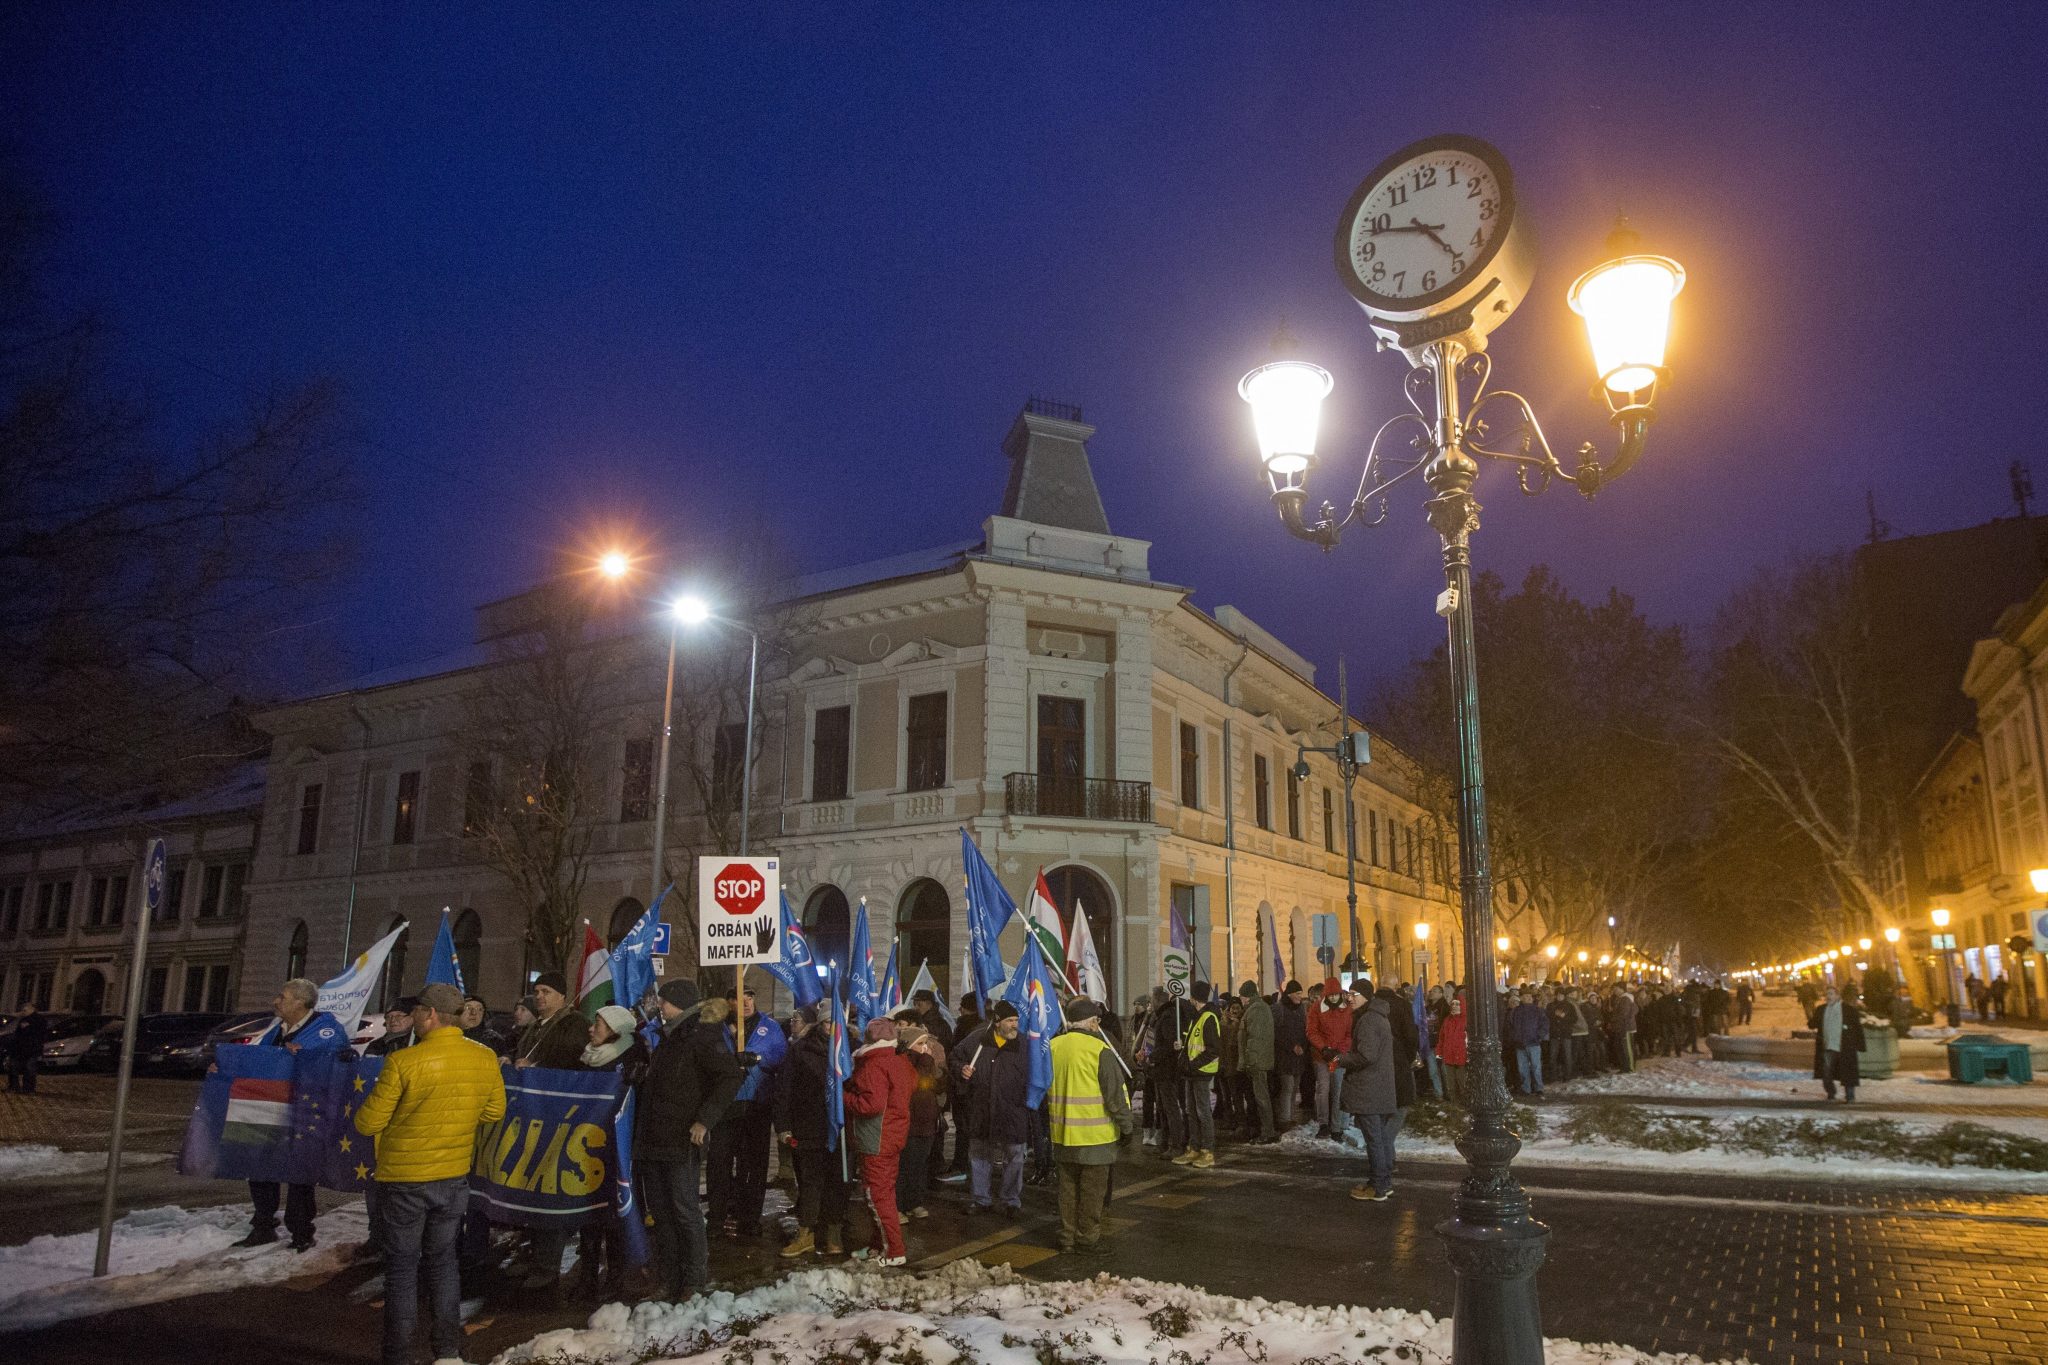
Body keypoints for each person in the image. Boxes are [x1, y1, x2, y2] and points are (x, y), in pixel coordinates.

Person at [353, 983, 507, 1365]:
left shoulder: (405, 1062)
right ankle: (447, 1351)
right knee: (443, 1265)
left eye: (419, 1010)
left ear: (431, 1015)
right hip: (452, 1177)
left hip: (404, 1179)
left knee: (402, 1270)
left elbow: (367, 1122)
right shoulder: (483, 1057)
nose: (416, 1016)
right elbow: (494, 1112)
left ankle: (398, 1356)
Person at [636, 978, 743, 1300]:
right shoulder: (670, 1036)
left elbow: (730, 1076)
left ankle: (694, 1279)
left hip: (681, 1138)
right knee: (663, 1213)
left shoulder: (702, 1034)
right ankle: (669, 1278)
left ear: (679, 1003)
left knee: (684, 1211)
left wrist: (704, 1120)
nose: (659, 1007)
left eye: (664, 1001)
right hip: (654, 1138)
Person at [236, 978, 349, 1251]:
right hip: (272, 1110)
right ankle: (263, 1224)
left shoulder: (327, 1031)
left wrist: (304, 1058)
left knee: (299, 1173)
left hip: (305, 1114)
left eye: (282, 996)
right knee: (261, 1167)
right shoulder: (277, 1029)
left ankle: (301, 1232)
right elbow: (257, 1060)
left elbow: (338, 1066)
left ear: (300, 1002)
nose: (276, 1000)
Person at [1046, 998, 1135, 1253]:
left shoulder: (1053, 1047)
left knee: (1067, 1192)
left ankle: (1066, 1237)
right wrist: (1126, 1127)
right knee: (1092, 1194)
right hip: (1096, 1137)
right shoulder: (1099, 1051)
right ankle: (1086, 1238)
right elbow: (1115, 1096)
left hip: (1063, 1134)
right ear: (1093, 1022)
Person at [707, 986, 787, 1240]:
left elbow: (781, 1059)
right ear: (729, 1002)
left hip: (756, 1105)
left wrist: (758, 1058)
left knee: (753, 1165)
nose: (746, 1003)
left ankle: (749, 1217)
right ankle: (717, 1217)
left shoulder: (770, 1027)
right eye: (740, 998)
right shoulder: (717, 1028)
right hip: (725, 1105)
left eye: (750, 998)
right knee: (719, 1164)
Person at [776, 1004, 851, 1259]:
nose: (832, 1028)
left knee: (837, 1182)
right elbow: (785, 1090)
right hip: (809, 1125)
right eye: (828, 1022)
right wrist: (783, 1125)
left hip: (840, 1129)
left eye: (836, 1022)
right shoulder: (800, 1050)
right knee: (810, 1182)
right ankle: (806, 1232)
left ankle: (833, 1233)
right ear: (820, 1024)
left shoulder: (848, 1052)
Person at [844, 1016, 916, 1265]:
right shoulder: (899, 1061)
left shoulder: (873, 1065)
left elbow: (870, 1105)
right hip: (892, 1136)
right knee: (884, 1193)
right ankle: (878, 1246)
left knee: (877, 1196)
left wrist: (844, 1096)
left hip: (877, 1138)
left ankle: (893, 1252)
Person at [955, 1000, 1031, 1216]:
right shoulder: (978, 1041)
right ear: (997, 1022)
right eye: (1010, 1021)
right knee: (980, 1155)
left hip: (1013, 1111)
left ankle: (1010, 1200)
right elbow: (955, 1058)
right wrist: (962, 1069)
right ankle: (981, 1199)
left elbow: (1036, 1073)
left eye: (1016, 1020)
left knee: (1015, 1156)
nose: (1015, 1025)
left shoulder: (1023, 1044)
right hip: (982, 1111)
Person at [1338, 984, 1400, 1201]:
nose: (1349, 999)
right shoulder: (1376, 1017)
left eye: (1353, 995)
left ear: (1365, 996)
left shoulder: (1368, 1020)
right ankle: (1382, 1182)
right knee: (1380, 1139)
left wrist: (1339, 1059)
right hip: (1377, 1087)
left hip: (1369, 1089)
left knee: (1374, 1140)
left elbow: (1366, 1056)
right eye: (1348, 994)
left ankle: (1379, 1186)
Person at [892, 1013, 948, 1219]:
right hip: (908, 1123)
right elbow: (917, 1083)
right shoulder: (904, 1061)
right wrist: (926, 1060)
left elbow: (938, 1085)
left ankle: (914, 1201)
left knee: (919, 1165)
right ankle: (897, 1205)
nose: (926, 1047)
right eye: (921, 1043)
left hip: (926, 1122)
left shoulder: (928, 1061)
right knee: (904, 1166)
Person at [1176, 982, 1221, 1168]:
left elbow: (1213, 1049)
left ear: (1195, 997)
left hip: (1201, 1072)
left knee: (1203, 1112)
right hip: (1192, 1072)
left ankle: (1207, 1151)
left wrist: (1193, 1064)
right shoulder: (1198, 1017)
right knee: (1191, 1111)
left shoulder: (1208, 1017)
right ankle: (1194, 1148)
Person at [1307, 977, 1353, 1140]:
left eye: (1336, 995)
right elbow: (1312, 1031)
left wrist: (1339, 1050)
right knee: (1323, 1089)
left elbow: (1349, 1033)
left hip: (1339, 1056)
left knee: (1337, 1091)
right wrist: (1324, 1048)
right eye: (1330, 995)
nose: (1333, 998)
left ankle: (1336, 1126)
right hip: (1321, 1056)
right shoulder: (1316, 1008)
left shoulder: (1347, 1009)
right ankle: (1323, 1124)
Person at [945, 992, 984, 1178]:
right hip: (966, 1087)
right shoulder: (971, 1027)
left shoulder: (970, 1029)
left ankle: (962, 1165)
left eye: (963, 1005)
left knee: (965, 1128)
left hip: (965, 1088)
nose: (959, 1009)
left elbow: (954, 1055)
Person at [515, 973, 586, 1070]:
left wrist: (534, 1066)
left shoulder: (575, 1022)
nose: (538, 996)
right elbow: (520, 1052)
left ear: (561, 995)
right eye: (536, 992)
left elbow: (572, 1058)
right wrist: (509, 1058)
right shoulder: (533, 1025)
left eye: (545, 992)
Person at [1236, 981, 1276, 1143]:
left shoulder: (1257, 1009)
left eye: (1242, 996)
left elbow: (1255, 1039)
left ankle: (1268, 1132)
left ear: (1247, 996)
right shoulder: (1255, 1008)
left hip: (1257, 1062)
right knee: (1259, 1098)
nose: (1241, 1000)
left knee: (1261, 1098)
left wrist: (1250, 1061)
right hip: (1257, 1061)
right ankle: (1263, 1129)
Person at [1810, 985, 1865, 1103]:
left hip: (1845, 1046)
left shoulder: (1848, 1010)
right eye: (1827, 994)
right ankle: (1831, 1092)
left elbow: (1857, 1028)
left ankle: (1850, 1096)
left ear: (1837, 995)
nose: (1828, 997)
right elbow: (1812, 1024)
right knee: (1826, 1072)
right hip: (1827, 1046)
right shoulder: (1821, 1009)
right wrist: (1811, 1016)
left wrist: (1860, 1044)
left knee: (1848, 1072)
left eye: (1831, 994)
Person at [1271, 980, 1307, 1127]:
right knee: (1287, 1086)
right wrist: (1292, 1046)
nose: (1300, 996)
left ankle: (1290, 1116)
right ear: (1290, 994)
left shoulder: (1301, 1009)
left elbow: (1305, 1030)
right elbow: (1277, 1033)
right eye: (1298, 993)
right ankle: (1284, 1118)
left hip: (1298, 1056)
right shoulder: (1279, 1009)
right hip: (1284, 1056)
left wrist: (1302, 1045)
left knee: (1294, 1087)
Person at [1505, 989, 1547, 1097]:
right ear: (1521, 998)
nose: (1528, 998)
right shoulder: (1516, 1011)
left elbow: (1544, 1024)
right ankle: (1526, 1088)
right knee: (1522, 1068)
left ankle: (1538, 1088)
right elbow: (1510, 1026)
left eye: (1530, 996)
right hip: (1520, 1043)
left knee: (1535, 1067)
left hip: (1533, 1043)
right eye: (1526, 996)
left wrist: (1538, 1036)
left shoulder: (1538, 1010)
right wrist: (1515, 1037)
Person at [6, 1001, 51, 1094]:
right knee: (14, 1067)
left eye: (25, 1010)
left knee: (29, 1069)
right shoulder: (24, 1019)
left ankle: (28, 1089)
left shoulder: (39, 1020)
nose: (23, 1012)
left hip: (32, 1049)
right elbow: (18, 1034)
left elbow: (40, 1035)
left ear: (32, 1009)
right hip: (20, 1049)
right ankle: (15, 1087)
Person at [1436, 993, 1469, 1105]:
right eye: (1453, 1004)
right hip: (1449, 1055)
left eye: (1457, 1004)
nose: (1454, 1006)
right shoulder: (1447, 1020)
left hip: (1462, 1055)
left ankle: (1464, 1103)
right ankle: (1454, 1104)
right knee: (1450, 1082)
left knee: (1462, 1081)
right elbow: (1442, 1037)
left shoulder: (1466, 1020)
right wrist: (1439, 1052)